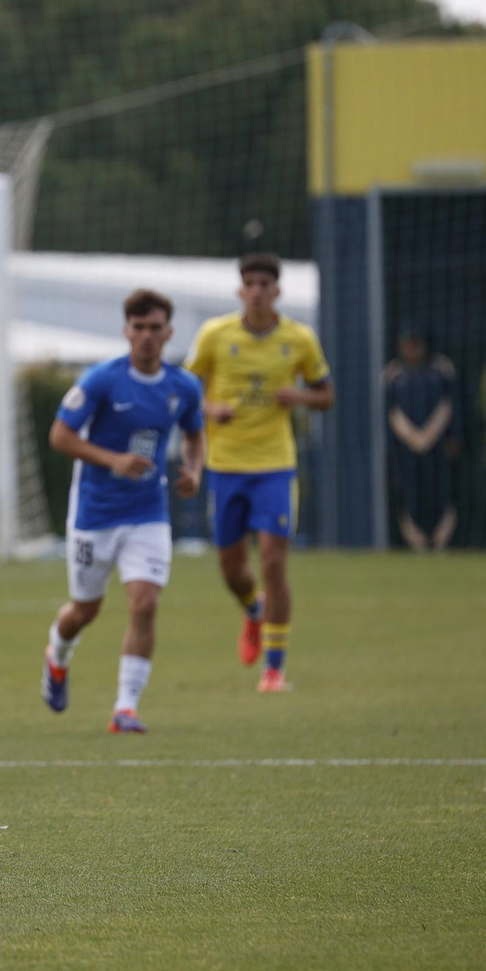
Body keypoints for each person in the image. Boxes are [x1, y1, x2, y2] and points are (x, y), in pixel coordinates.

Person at [42, 289, 205, 733]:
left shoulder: (183, 386)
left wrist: (194, 470)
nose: (147, 337)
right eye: (138, 328)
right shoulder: (101, 380)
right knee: (84, 611)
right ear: (125, 331)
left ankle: (125, 707)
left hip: (148, 511)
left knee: (145, 601)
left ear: (169, 333)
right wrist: (112, 459)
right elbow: (60, 435)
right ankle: (57, 655)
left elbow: (194, 434)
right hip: (95, 513)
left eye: (155, 328)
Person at [187, 253, 333, 693]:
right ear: (239, 290)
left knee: (273, 561)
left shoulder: (299, 339)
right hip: (226, 466)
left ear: (277, 291)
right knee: (232, 569)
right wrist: (211, 407)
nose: (256, 290)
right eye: (249, 283)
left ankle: (274, 669)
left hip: (274, 467)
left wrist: (299, 398)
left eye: (264, 283)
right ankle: (254, 611)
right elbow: (186, 390)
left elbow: (326, 394)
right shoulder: (215, 335)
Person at [384, 326, 458, 551]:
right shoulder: (394, 374)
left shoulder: (441, 370)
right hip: (406, 449)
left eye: (416, 343)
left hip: (438, 448)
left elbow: (452, 406)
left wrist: (452, 436)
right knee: (409, 494)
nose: (412, 348)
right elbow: (389, 413)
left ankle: (442, 539)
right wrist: (402, 440)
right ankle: (415, 541)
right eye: (408, 343)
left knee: (440, 490)